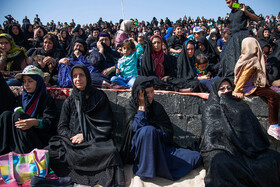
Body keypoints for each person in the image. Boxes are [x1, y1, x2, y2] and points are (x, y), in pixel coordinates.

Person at [47, 65, 125, 186]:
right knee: (49, 152)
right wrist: (74, 137)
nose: (78, 79)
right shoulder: (70, 100)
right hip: (72, 143)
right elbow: (61, 127)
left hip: (94, 141)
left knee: (111, 153)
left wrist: (85, 135)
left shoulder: (99, 97)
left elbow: (106, 125)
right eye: (74, 76)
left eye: (81, 75)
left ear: (87, 77)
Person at [200, 77, 280, 186]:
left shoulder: (239, 104)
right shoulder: (210, 108)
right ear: (215, 91)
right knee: (219, 163)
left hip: (246, 147)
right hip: (223, 148)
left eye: (228, 88)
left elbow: (251, 129)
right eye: (222, 89)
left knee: (272, 158)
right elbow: (212, 137)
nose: (226, 91)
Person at [120, 76, 202, 181]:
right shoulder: (130, 107)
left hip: (159, 148)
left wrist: (156, 133)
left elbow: (168, 131)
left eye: (152, 92)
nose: (150, 96)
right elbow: (133, 130)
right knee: (148, 131)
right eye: (146, 93)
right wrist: (141, 108)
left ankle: (156, 166)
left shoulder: (157, 107)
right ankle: (145, 170)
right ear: (139, 94)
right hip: (140, 152)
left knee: (195, 157)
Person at [0, 65, 57, 154]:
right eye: (24, 81)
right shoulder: (21, 98)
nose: (26, 84)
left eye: (30, 81)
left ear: (38, 82)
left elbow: (49, 122)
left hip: (37, 137)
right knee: (6, 115)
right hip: (19, 136)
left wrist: (34, 122)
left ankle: (23, 153)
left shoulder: (46, 99)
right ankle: (4, 151)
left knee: (19, 116)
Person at [233, 37, 280, 140]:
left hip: (250, 85)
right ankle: (273, 124)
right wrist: (238, 90)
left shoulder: (244, 57)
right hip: (250, 87)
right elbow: (244, 75)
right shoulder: (252, 60)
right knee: (274, 96)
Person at [218, 0, 259, 78]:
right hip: (232, 38)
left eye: (229, 2)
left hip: (241, 37)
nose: (227, 5)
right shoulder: (231, 13)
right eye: (226, 3)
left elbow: (256, 19)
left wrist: (245, 11)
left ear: (235, 1)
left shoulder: (245, 8)